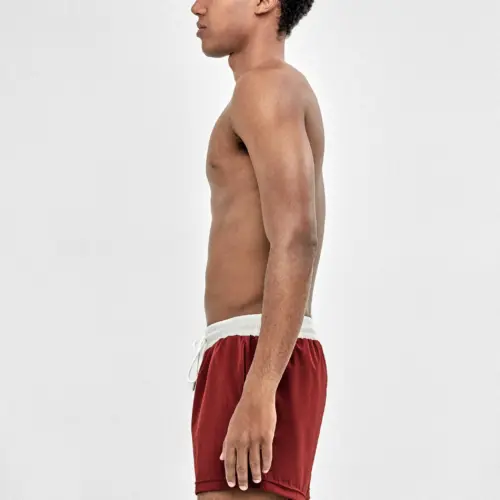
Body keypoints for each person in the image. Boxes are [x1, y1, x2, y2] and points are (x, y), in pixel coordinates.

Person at [188, 0, 327, 498]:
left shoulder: (265, 87)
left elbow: (297, 236)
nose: (196, 6)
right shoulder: (264, 91)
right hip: (242, 348)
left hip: (257, 351)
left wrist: (261, 385)